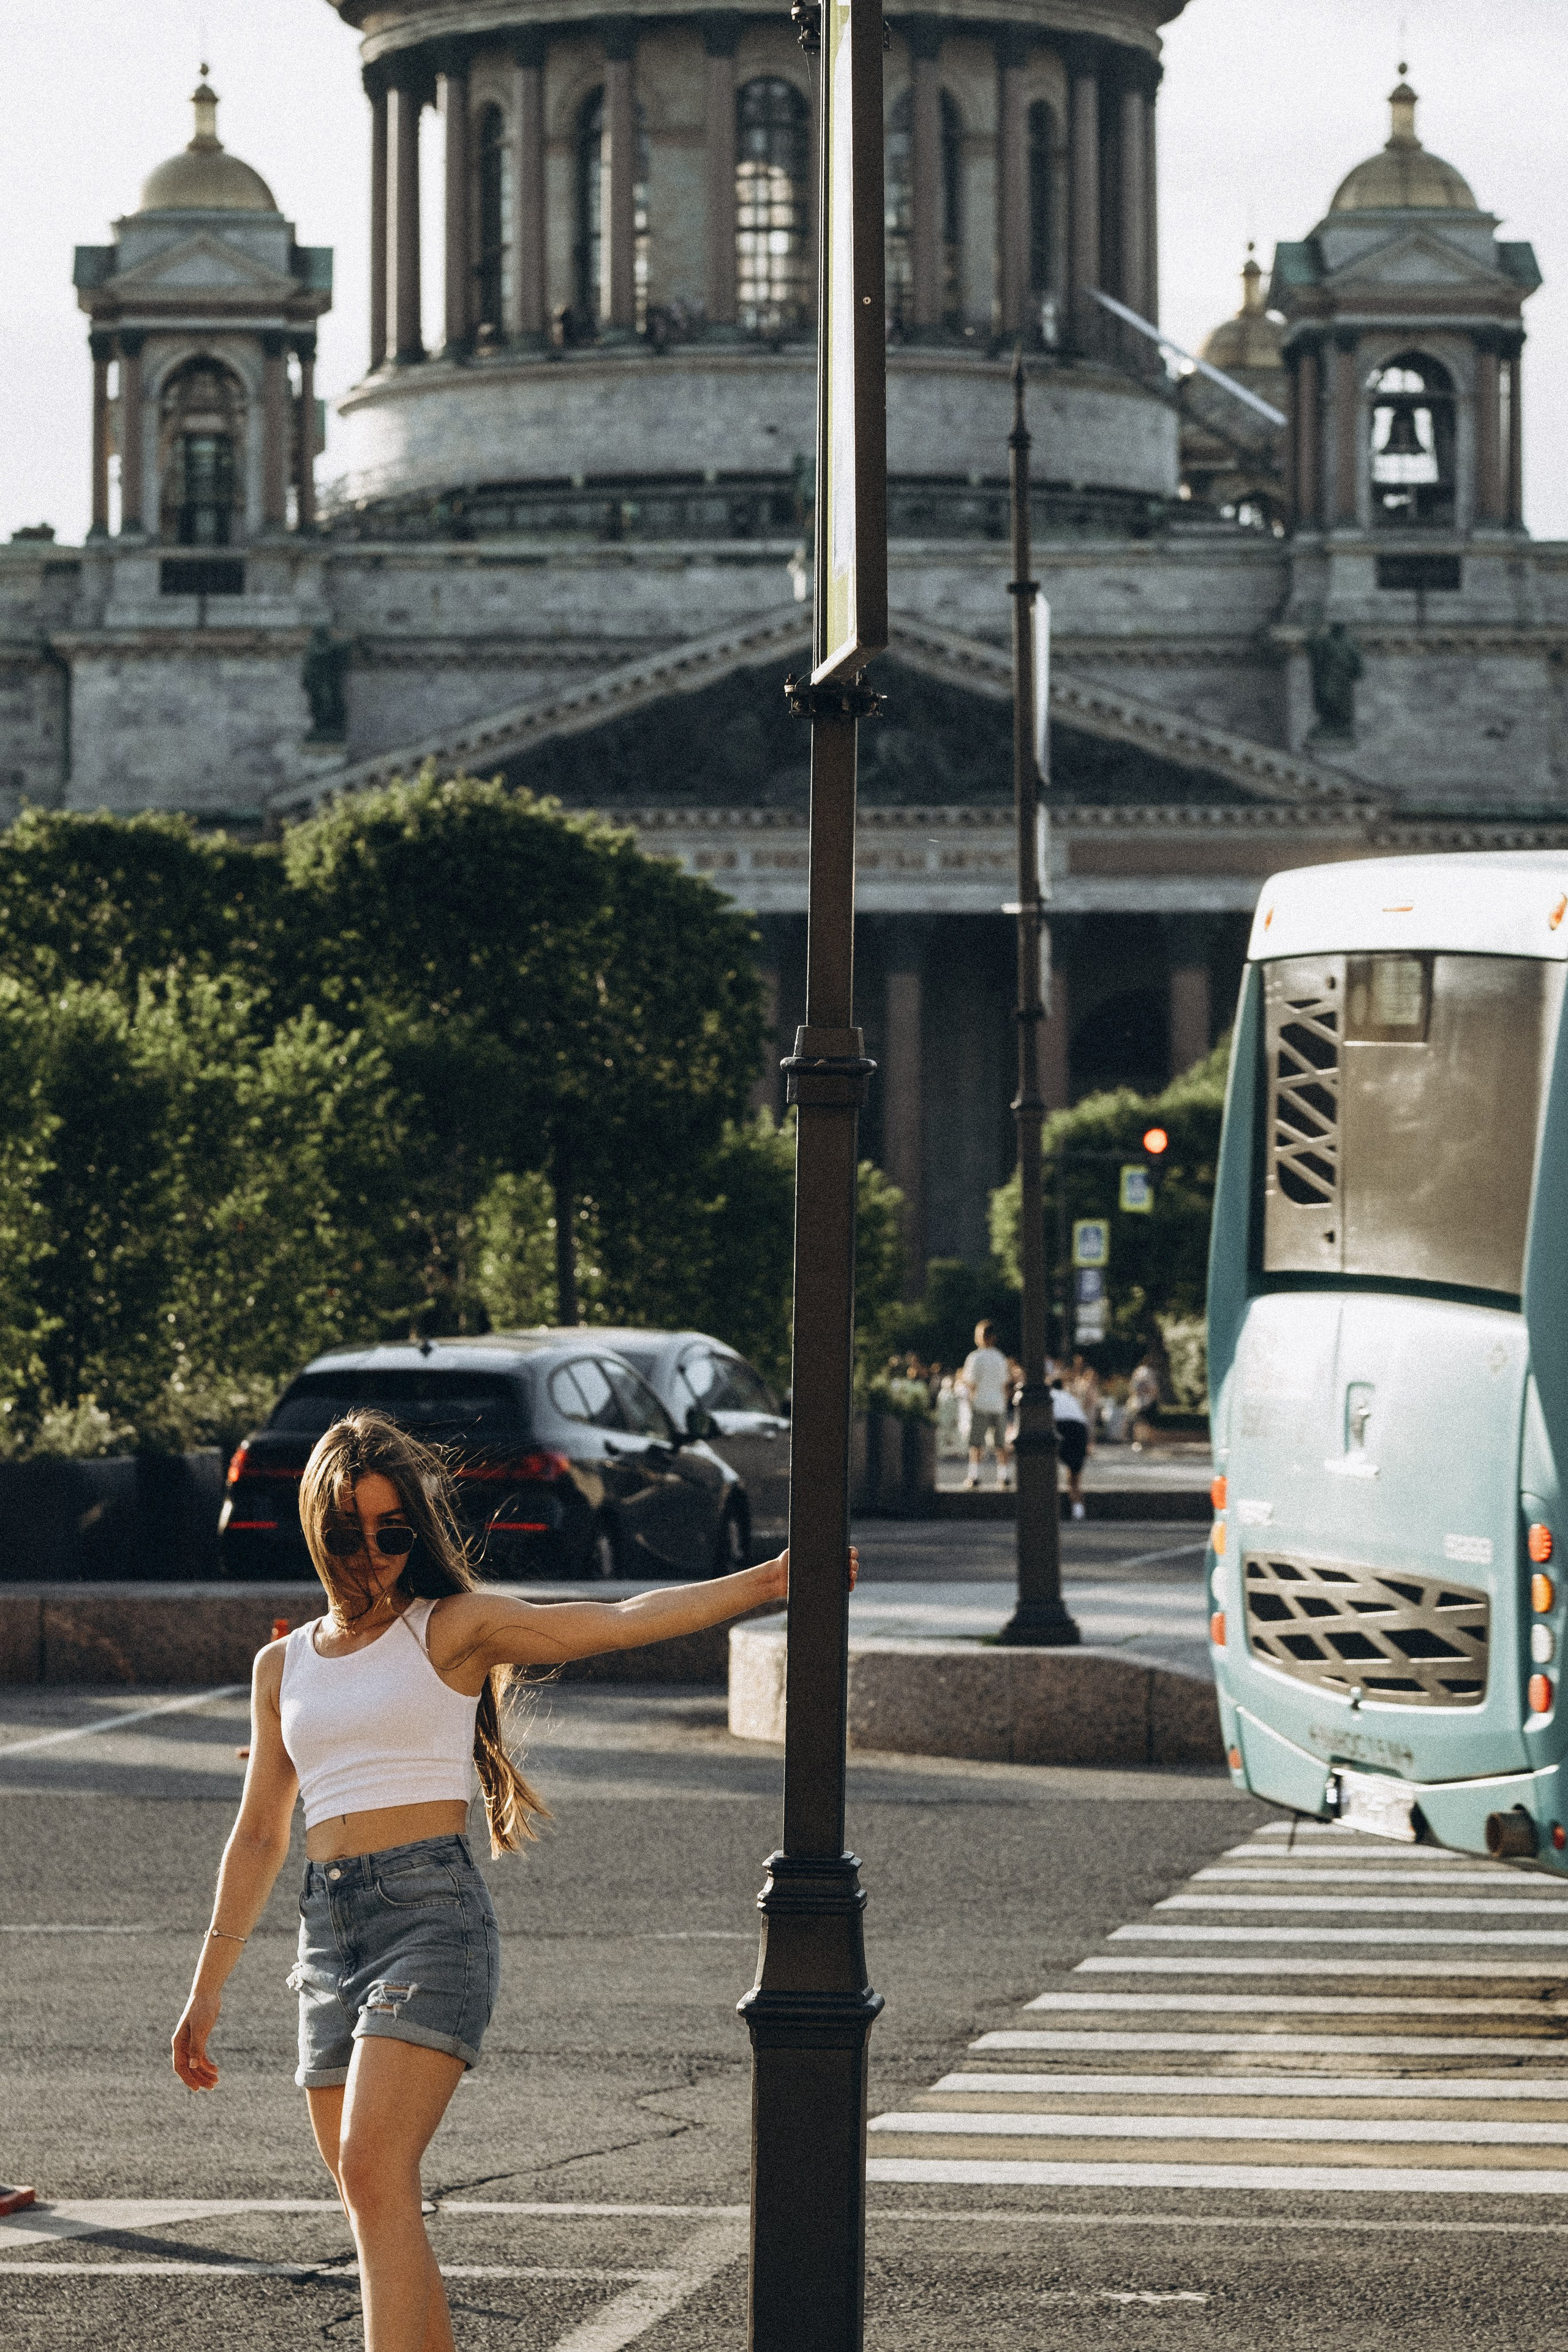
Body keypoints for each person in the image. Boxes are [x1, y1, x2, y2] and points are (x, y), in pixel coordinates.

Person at [171, 1409, 857, 2352]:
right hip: (325, 1940)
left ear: (415, 1532)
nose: (372, 1556)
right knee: (374, 2198)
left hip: (430, 1924)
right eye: (349, 1534)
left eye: (393, 1534)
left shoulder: (452, 1628)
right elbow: (258, 1835)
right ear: (315, 1529)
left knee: (371, 2172)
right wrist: (206, 1991)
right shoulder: (279, 1666)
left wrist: (769, 1582)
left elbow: (615, 1621)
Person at [959, 1319, 1011, 1489]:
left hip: (980, 1404)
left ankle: (974, 1476)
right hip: (998, 1405)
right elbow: (1005, 1385)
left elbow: (971, 1384)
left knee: (976, 1443)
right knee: (1000, 1444)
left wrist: (970, 1402)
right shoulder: (1001, 1357)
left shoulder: (975, 1358)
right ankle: (1004, 1476)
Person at [1051, 1376, 1090, 1519]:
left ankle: (1048, 1509)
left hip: (1060, 1425)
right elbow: (1083, 1420)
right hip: (1080, 1429)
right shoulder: (1070, 1397)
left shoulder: (1048, 1395)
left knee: (1047, 1466)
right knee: (1074, 1476)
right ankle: (1078, 1510)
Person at [1128, 1352, 1161, 1450]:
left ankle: (1139, 1441)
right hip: (1148, 1401)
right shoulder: (1149, 1372)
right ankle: (1148, 1442)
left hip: (1139, 1402)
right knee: (1148, 1423)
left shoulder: (1137, 1372)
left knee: (1140, 1423)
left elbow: (1133, 1389)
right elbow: (1154, 1389)